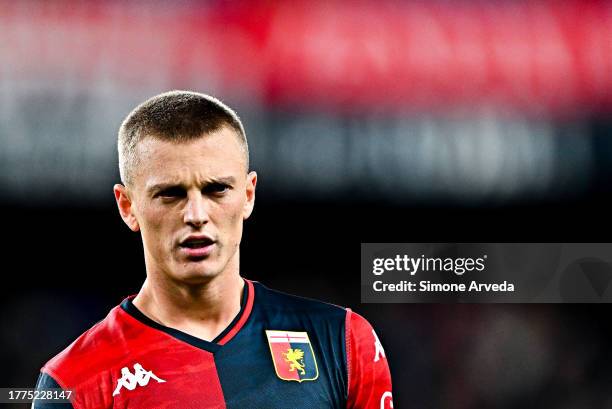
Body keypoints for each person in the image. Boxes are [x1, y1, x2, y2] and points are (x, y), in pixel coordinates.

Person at [33, 91, 393, 408]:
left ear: (248, 194)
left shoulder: (342, 341)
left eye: (216, 190)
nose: (196, 215)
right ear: (127, 206)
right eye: (170, 194)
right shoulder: (73, 383)